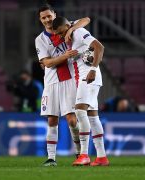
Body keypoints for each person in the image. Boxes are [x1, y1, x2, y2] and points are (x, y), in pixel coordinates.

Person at [35, 4, 91, 166]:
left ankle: (79, 153)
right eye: (43, 17)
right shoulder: (40, 39)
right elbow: (47, 63)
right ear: (40, 20)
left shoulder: (66, 26)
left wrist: (72, 30)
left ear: (54, 15)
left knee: (72, 120)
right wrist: (65, 56)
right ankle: (51, 158)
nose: (47, 20)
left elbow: (86, 19)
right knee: (52, 120)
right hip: (51, 82)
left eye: (49, 16)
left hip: (70, 80)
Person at [52, 16, 109, 166]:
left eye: (59, 32)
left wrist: (93, 69)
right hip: (84, 78)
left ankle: (84, 155)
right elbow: (84, 19)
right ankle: (102, 157)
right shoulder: (71, 33)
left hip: (88, 76)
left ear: (66, 26)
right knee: (93, 117)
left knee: (79, 112)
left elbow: (99, 47)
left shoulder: (78, 32)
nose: (59, 36)